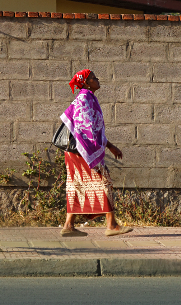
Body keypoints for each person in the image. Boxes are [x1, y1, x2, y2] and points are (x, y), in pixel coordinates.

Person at [59, 69, 132, 237]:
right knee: (104, 181)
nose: (97, 79)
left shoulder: (87, 98)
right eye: (93, 78)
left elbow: (94, 128)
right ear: (85, 83)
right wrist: (95, 150)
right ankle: (112, 225)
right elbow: (86, 128)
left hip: (77, 151)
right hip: (83, 150)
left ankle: (69, 225)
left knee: (76, 184)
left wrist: (110, 146)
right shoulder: (84, 98)